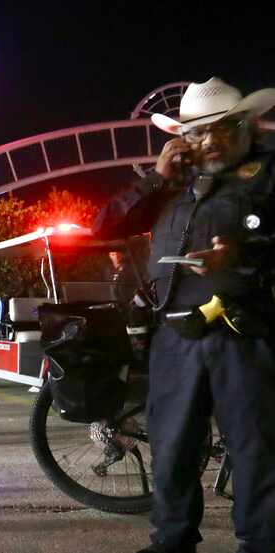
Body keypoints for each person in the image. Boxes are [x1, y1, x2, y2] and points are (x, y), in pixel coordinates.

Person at [93, 77, 275, 553]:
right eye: (196, 132)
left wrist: (242, 253)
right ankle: (171, 541)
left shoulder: (269, 173)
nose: (209, 141)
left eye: (221, 129)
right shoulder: (172, 182)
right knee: (172, 448)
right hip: (175, 334)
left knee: (257, 451)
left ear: (245, 125)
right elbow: (104, 226)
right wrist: (155, 178)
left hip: (245, 333)